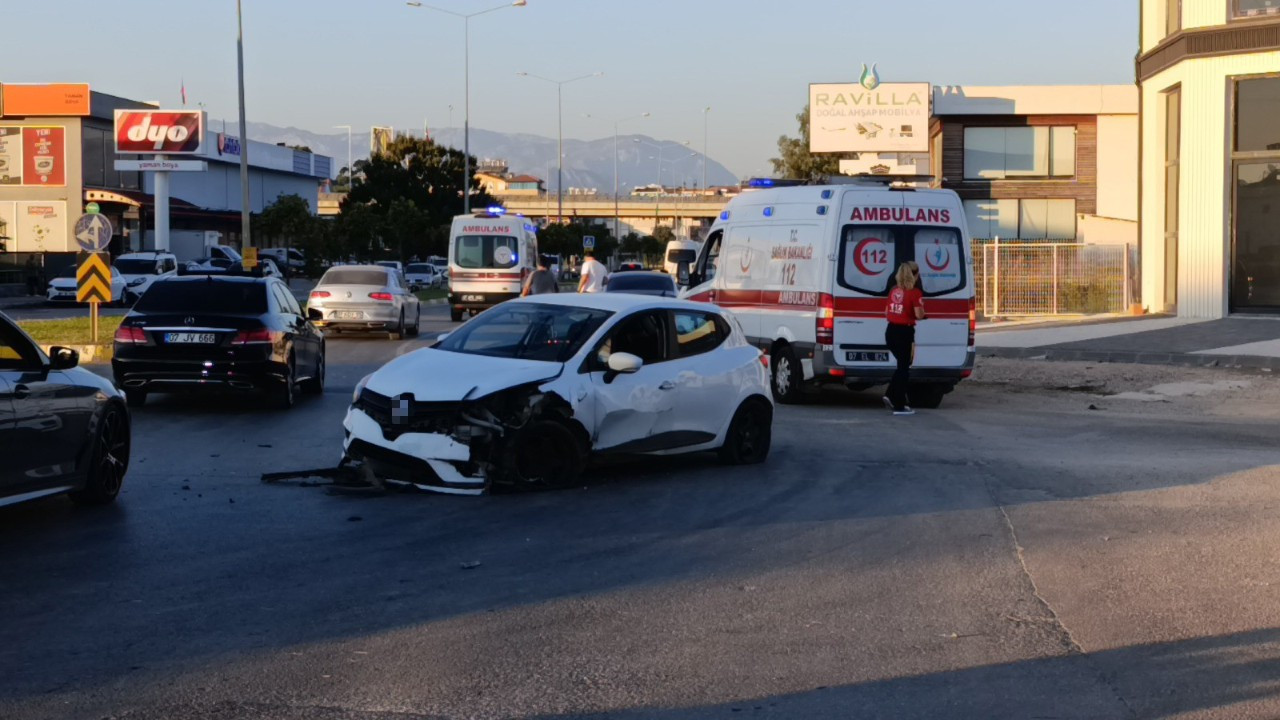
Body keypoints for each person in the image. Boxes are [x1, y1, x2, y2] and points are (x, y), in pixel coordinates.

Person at [883, 261, 925, 416]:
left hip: (890, 331)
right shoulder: (915, 293)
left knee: (902, 366)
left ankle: (891, 395)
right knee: (904, 368)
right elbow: (919, 314)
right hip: (904, 332)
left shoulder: (893, 290)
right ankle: (898, 403)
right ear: (914, 275)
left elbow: (886, 312)